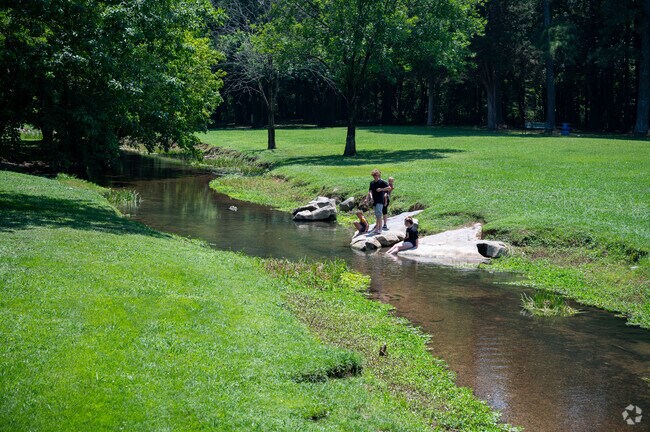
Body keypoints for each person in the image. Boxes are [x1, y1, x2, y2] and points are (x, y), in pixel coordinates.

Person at [366, 169, 389, 234]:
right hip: (374, 200)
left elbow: (389, 188)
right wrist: (370, 197)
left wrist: (381, 189)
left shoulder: (382, 182)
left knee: (379, 215)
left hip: (380, 200)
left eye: (376, 175)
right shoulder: (372, 183)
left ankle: (380, 229)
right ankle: (377, 228)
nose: (375, 177)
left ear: (378, 175)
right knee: (377, 215)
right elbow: (370, 191)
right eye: (374, 176)